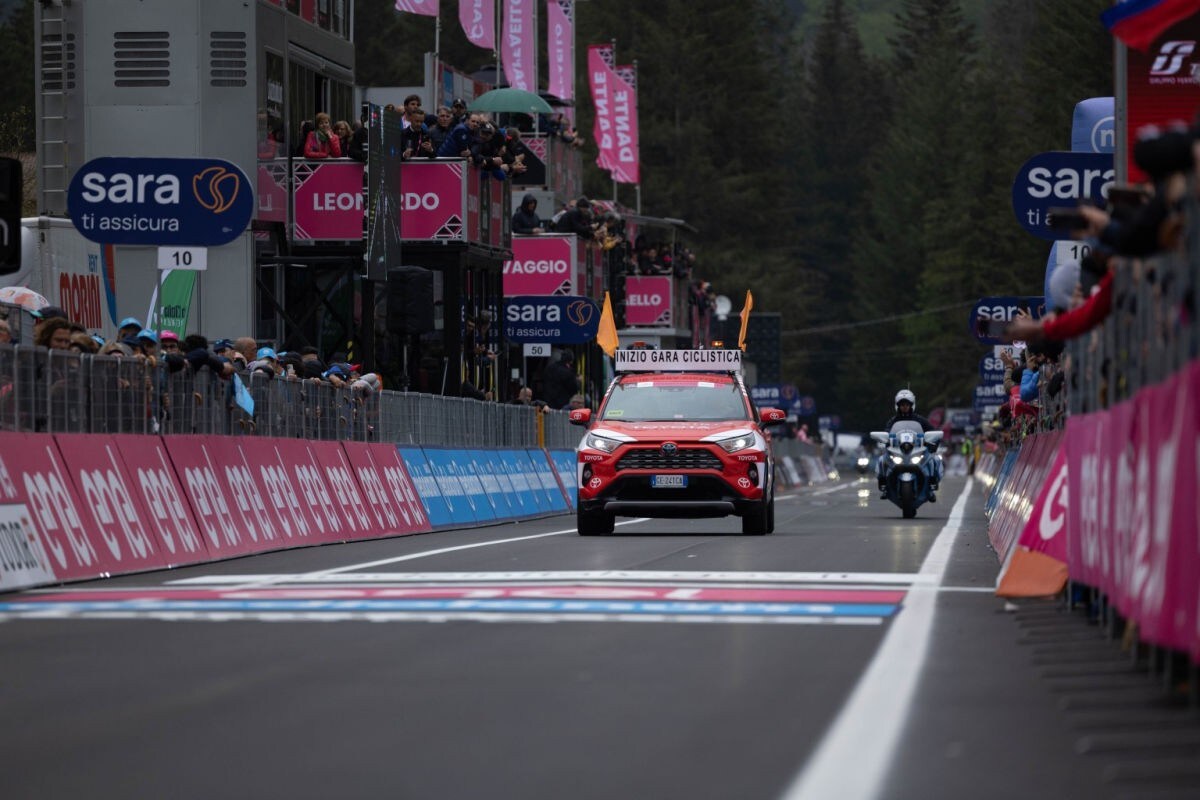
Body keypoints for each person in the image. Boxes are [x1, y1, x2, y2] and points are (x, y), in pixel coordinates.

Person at [877, 389, 940, 499]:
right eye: (902, 405)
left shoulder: (920, 420)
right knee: (882, 460)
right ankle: (885, 486)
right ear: (897, 406)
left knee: (934, 459)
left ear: (912, 405)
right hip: (898, 450)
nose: (904, 407)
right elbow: (887, 432)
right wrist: (885, 440)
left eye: (907, 404)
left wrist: (932, 444)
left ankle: (931, 487)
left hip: (916, 449)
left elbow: (933, 431)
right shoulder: (893, 421)